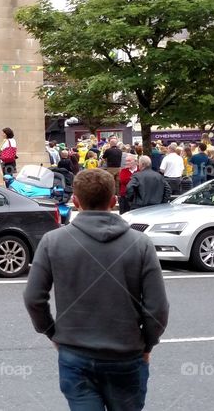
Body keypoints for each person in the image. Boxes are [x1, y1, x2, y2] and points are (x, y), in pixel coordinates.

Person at [24, 168, 168, 411]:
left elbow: (33, 298)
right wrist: (148, 344)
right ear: (114, 201)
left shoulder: (53, 241)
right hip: (126, 354)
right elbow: (157, 307)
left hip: (75, 352)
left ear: (76, 201)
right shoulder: (140, 244)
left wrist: (52, 333)